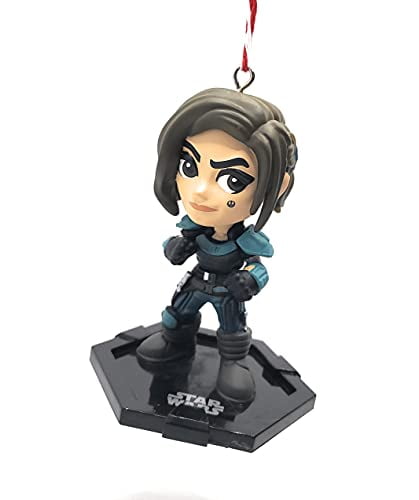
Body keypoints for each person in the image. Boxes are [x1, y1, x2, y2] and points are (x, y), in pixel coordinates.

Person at [136, 88, 297, 403]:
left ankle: (233, 364)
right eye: (189, 167)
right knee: (177, 313)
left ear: (276, 187)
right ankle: (175, 342)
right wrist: (174, 248)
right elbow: (174, 244)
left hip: (228, 289)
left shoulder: (246, 240)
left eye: (232, 181)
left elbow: (258, 266)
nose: (200, 190)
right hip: (197, 281)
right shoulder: (193, 229)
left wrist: (250, 279)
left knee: (233, 331)